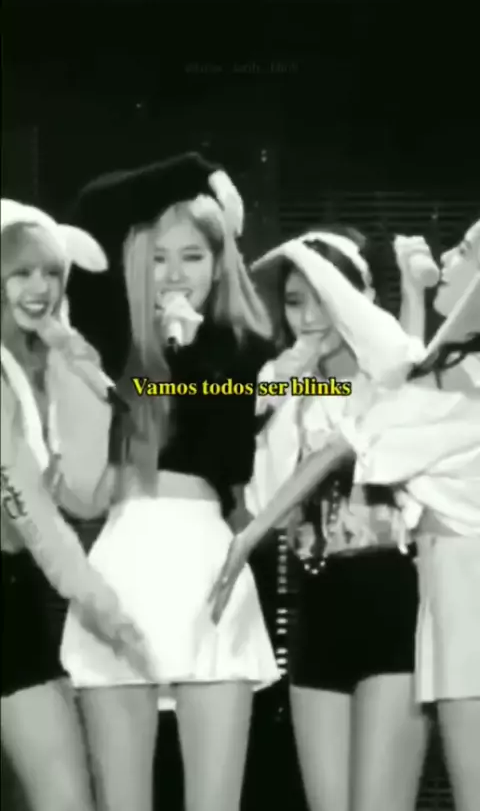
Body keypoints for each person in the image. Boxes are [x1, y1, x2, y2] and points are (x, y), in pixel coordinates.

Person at [212, 218, 480, 811]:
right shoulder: (285, 384)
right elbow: (261, 493)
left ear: (357, 301)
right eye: (293, 302)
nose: (309, 318)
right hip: (316, 608)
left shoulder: (391, 377)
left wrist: (412, 295)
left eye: (323, 300)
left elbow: (396, 373)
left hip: (392, 604)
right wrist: (278, 397)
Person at [60, 152, 281, 811]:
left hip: (208, 563)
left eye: (192, 256)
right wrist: (199, 170)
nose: (175, 273)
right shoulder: (115, 335)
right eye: (158, 258)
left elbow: (254, 429)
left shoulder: (246, 350)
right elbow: (96, 206)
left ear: (220, 263)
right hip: (125, 560)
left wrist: (196, 356)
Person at [1, 199, 152, 811]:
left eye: (51, 273)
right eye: (20, 272)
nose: (39, 288)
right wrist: (97, 601)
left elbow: (83, 494)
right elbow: (24, 500)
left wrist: (69, 355)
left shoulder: (39, 366)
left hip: (15, 590)